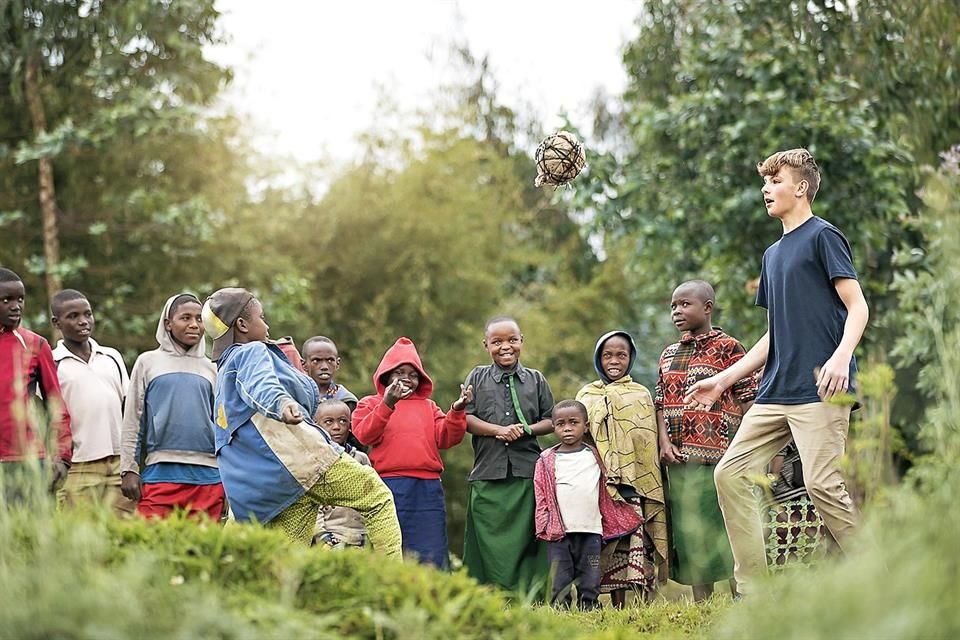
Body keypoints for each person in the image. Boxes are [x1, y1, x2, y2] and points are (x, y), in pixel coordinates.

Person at [685, 148, 869, 596]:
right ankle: (754, 590)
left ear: (800, 187)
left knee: (822, 485)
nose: (766, 189)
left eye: (775, 180)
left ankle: (874, 578)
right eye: (764, 182)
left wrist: (841, 357)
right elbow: (775, 334)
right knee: (729, 473)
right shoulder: (772, 255)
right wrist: (724, 379)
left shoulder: (824, 237)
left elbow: (857, 306)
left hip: (820, 389)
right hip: (774, 392)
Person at [201, 287, 401, 557]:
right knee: (378, 499)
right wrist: (282, 404)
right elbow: (261, 385)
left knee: (287, 560)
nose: (267, 324)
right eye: (261, 317)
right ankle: (393, 586)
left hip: (275, 485)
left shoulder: (222, 373)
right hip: (302, 462)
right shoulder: (250, 352)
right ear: (242, 324)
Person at [655, 281, 757, 601]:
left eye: (685, 304)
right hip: (680, 459)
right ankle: (703, 602)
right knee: (692, 531)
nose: (677, 312)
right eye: (673, 306)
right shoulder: (669, 353)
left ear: (707, 307)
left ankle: (741, 594)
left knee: (726, 525)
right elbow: (660, 403)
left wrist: (749, 447)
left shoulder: (730, 348)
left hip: (722, 458)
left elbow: (748, 398)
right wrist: (664, 443)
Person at [352, 337, 472, 568]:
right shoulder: (370, 403)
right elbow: (364, 435)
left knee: (431, 549)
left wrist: (457, 412)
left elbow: (447, 437)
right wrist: (387, 403)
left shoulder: (429, 407)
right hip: (388, 486)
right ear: (386, 375)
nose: (407, 378)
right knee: (391, 545)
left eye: (413, 374)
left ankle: (432, 596)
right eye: (400, 372)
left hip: (427, 488)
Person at [462, 316, 555, 595]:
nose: (506, 347)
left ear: (521, 341)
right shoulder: (476, 376)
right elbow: (465, 418)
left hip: (527, 473)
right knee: (487, 540)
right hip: (488, 472)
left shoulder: (536, 379)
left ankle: (531, 595)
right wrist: (497, 431)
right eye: (497, 342)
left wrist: (524, 430)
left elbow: (551, 419)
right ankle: (488, 595)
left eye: (512, 340)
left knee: (528, 538)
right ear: (486, 344)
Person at [576, 330, 668, 606]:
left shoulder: (640, 394)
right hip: (602, 482)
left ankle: (643, 602)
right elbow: (580, 436)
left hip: (637, 482)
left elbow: (646, 441)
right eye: (607, 355)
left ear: (631, 358)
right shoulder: (587, 394)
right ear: (598, 358)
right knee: (612, 543)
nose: (614, 361)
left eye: (621, 355)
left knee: (639, 541)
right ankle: (616, 604)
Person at [120, 293, 224, 520]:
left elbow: (223, 426)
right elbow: (133, 419)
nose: (194, 324)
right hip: (160, 472)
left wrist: (228, 477)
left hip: (208, 477)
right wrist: (129, 468)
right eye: (185, 318)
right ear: (168, 323)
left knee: (201, 550)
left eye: (199, 319)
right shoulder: (147, 362)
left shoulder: (212, 369)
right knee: (150, 540)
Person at [533, 400, 642, 610]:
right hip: (559, 534)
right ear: (553, 427)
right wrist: (544, 525)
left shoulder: (596, 456)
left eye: (573, 422)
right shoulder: (546, 460)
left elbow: (609, 485)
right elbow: (541, 496)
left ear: (586, 425)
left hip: (591, 531)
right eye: (560, 424)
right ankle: (561, 611)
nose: (567, 428)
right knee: (559, 579)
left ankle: (589, 607)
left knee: (590, 576)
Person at [50, 289, 136, 517]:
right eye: (73, 316)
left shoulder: (112, 357)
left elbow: (128, 410)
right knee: (80, 538)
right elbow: (46, 417)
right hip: (78, 467)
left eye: (87, 314)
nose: (83, 321)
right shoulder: (53, 363)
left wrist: (131, 463)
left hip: (118, 465)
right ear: (56, 322)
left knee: (123, 533)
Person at [0, 267, 72, 502]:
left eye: (20, 299)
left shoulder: (35, 345)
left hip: (28, 462)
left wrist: (62, 458)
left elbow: (56, 405)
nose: (16, 306)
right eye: (6, 300)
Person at [313, 400, 370, 549]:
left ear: (350, 426)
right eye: (329, 422)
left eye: (343, 421)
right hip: (328, 537)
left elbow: (371, 497)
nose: (336, 427)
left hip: (359, 537)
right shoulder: (313, 460)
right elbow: (311, 506)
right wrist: (323, 537)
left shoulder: (360, 459)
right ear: (316, 426)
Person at [301, 336, 359, 410]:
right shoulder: (296, 398)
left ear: (337, 364)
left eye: (330, 360)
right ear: (304, 364)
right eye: (316, 361)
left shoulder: (348, 401)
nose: (324, 367)